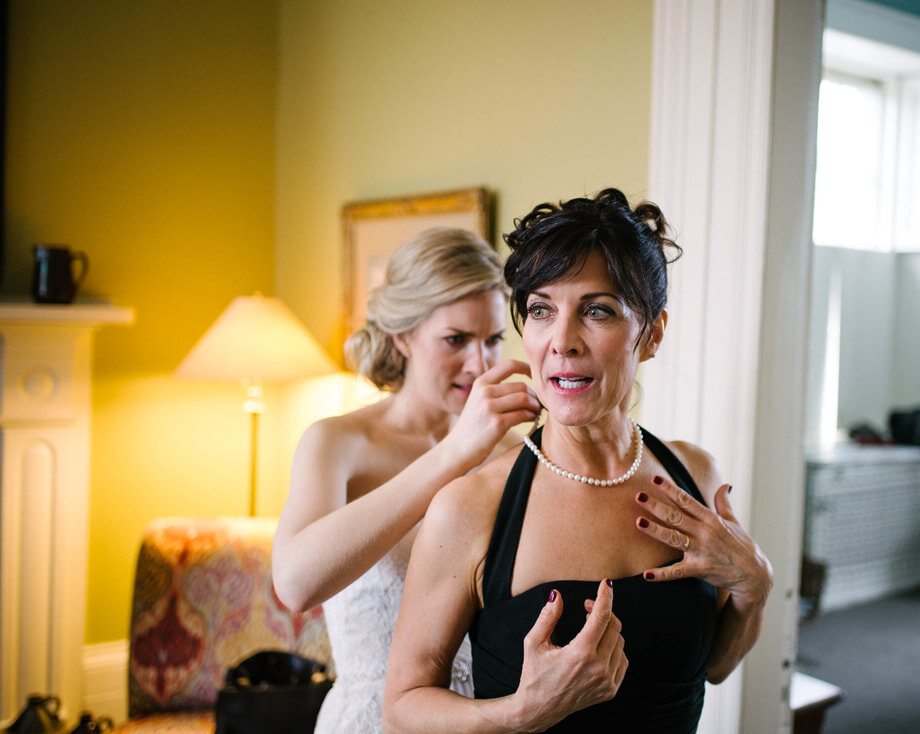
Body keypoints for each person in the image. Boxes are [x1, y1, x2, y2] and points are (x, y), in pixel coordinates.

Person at [383, 189, 774, 733]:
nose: (561, 341)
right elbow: (401, 709)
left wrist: (753, 589)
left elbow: (715, 668)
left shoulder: (695, 477)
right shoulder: (472, 507)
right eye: (541, 310)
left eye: (596, 311)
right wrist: (521, 714)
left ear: (652, 335)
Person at [272, 227, 541, 734]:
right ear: (403, 336)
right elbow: (295, 583)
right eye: (455, 340)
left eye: (491, 340)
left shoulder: (515, 453)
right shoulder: (337, 444)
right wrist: (455, 452)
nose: (479, 365)